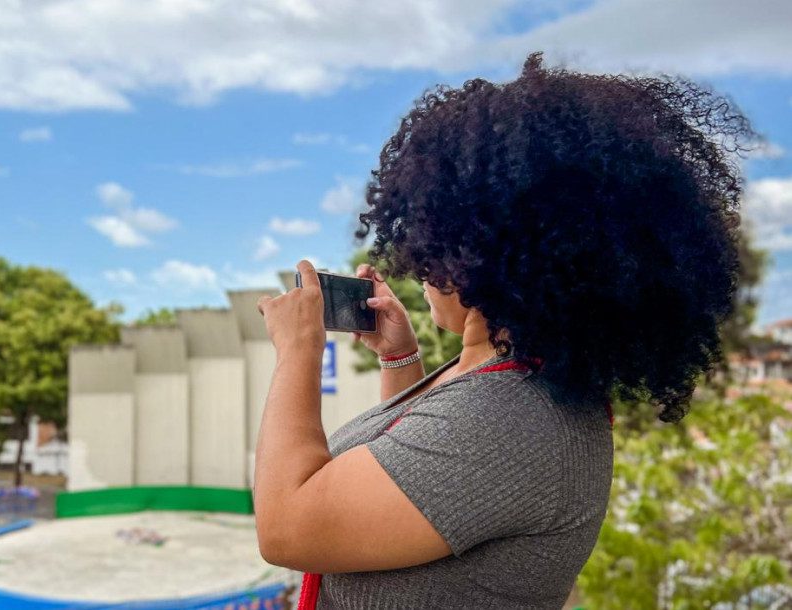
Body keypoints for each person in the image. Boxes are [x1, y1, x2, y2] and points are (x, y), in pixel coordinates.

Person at [253, 52, 750, 609]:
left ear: (483, 253)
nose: (418, 263)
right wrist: (401, 363)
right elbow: (405, 467)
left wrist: (299, 351)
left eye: (434, 240)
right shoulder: (503, 382)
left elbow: (288, 526)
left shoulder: (515, 417)